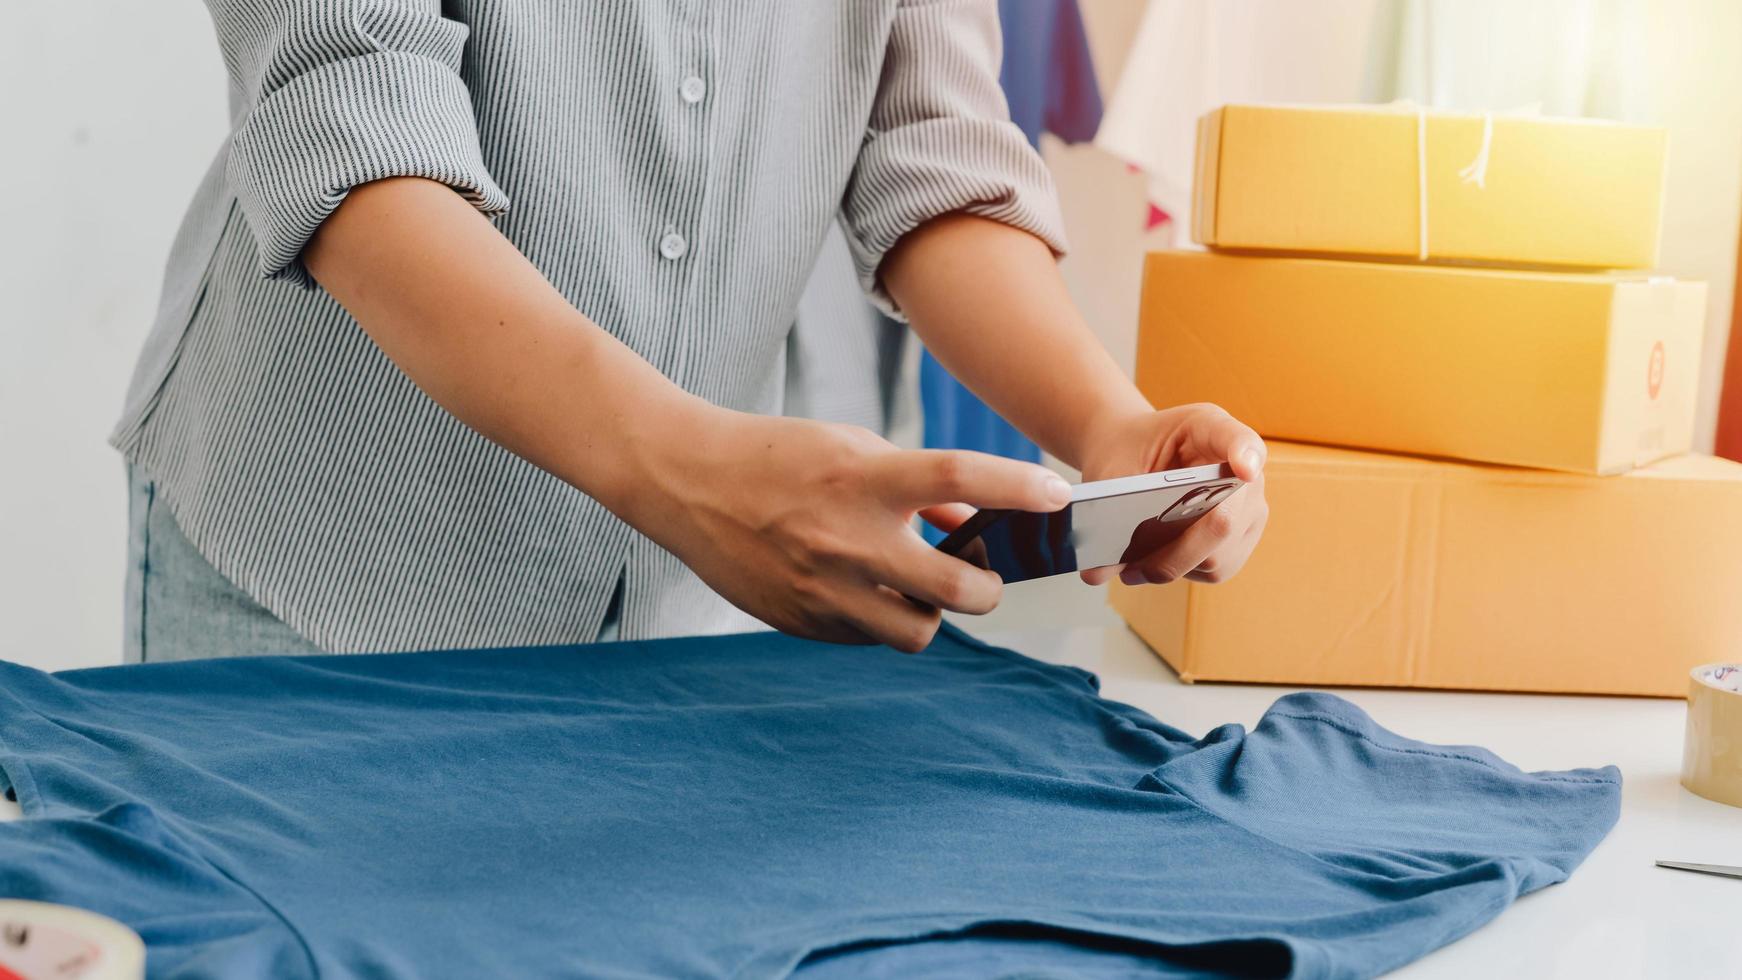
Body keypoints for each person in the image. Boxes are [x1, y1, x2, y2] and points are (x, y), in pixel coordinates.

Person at [113, 1, 1269, 662]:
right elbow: (353, 125)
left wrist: (1110, 426)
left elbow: (932, 153)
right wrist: (695, 473)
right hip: (329, 558)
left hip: (668, 601)